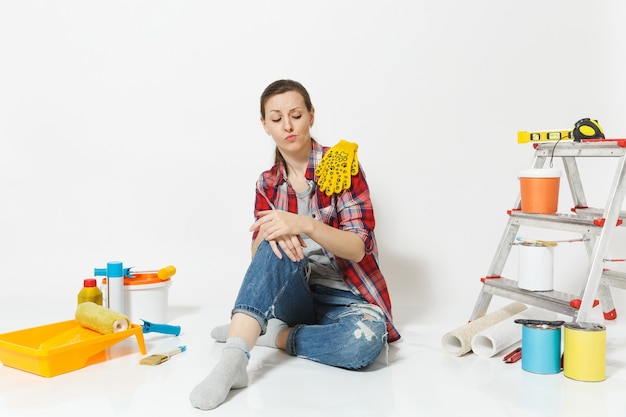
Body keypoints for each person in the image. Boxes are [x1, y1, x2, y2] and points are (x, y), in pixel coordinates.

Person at [189, 79, 400, 411]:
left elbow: (358, 248)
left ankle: (270, 335)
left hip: (345, 296)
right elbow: (258, 259)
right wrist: (271, 232)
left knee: (364, 344)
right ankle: (234, 359)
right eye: (276, 119)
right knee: (273, 240)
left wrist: (302, 224)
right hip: (294, 293)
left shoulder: (342, 166)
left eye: (296, 115)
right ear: (265, 125)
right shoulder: (267, 182)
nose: (287, 126)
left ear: (311, 116)